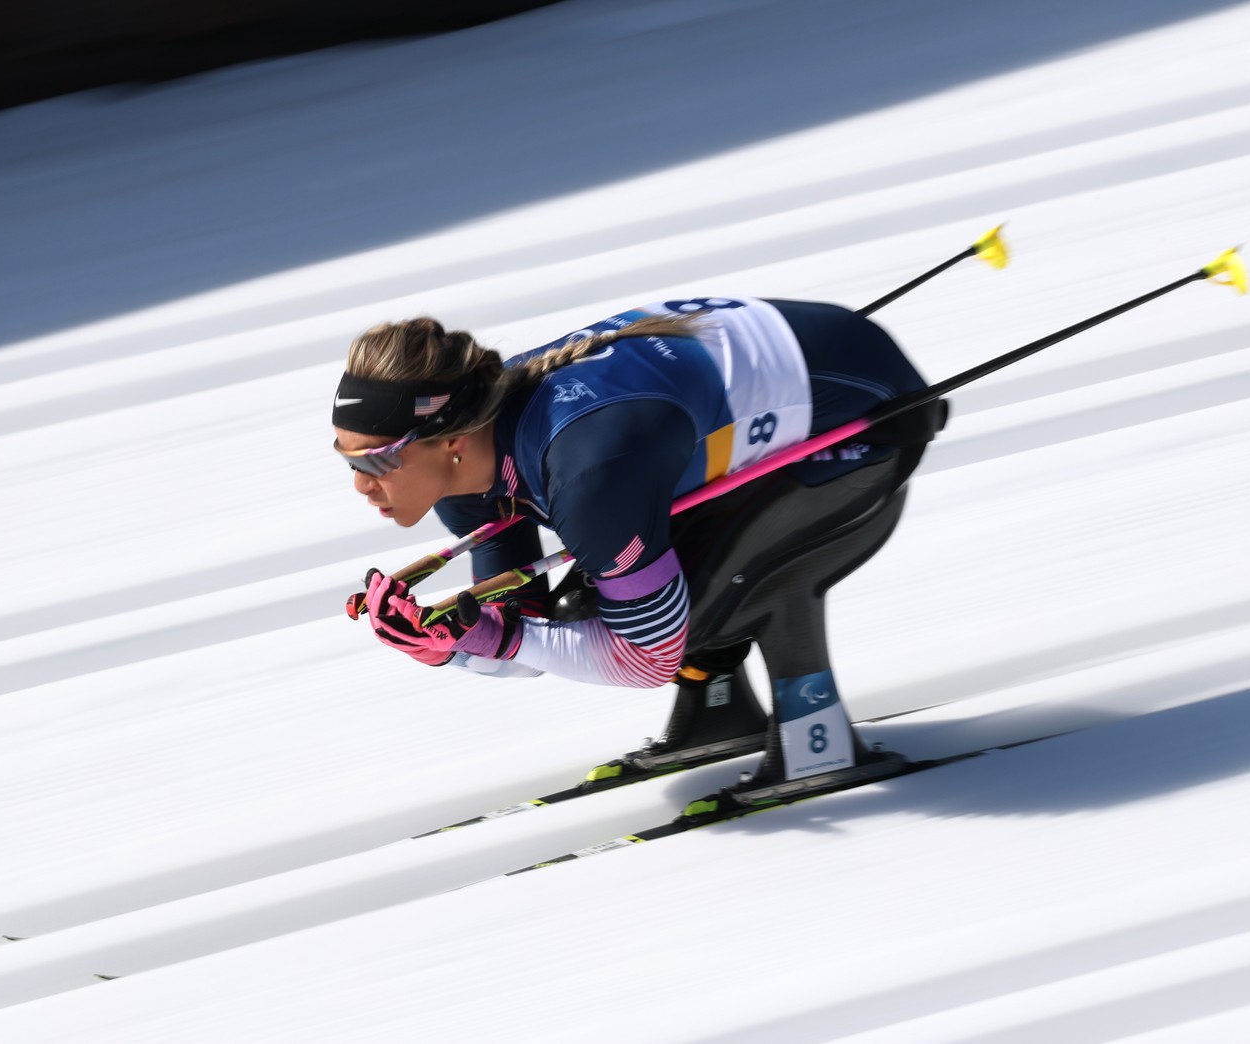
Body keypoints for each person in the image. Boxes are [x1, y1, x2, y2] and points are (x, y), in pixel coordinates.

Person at [333, 297, 945, 785]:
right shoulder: (468, 469)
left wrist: (488, 638)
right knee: (608, 588)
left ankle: (814, 736)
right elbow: (524, 628)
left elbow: (648, 658)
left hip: (872, 423)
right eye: (346, 457)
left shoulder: (586, 470)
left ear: (450, 441)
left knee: (633, 609)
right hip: (798, 370)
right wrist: (450, 644)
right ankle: (718, 707)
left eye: (377, 461)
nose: (361, 484)